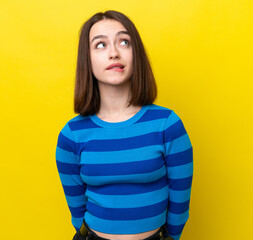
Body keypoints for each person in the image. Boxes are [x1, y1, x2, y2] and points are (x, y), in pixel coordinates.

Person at [55, 10, 193, 240]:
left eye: (124, 42)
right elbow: (77, 209)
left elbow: (180, 203)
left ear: (135, 54)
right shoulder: (72, 135)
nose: (114, 53)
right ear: (87, 59)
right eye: (100, 45)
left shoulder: (167, 125)